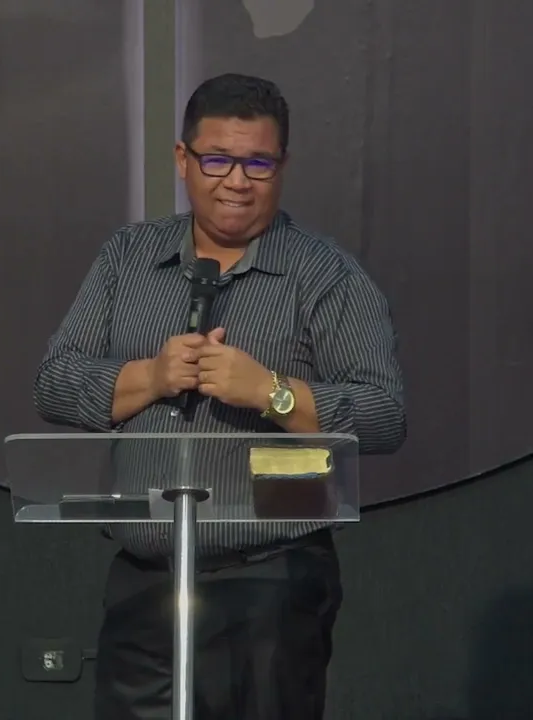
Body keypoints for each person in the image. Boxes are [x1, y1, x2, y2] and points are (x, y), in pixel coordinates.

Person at [33, 73, 407, 720]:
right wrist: (151, 377)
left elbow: (384, 414)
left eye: (258, 163)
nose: (237, 181)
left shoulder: (325, 275)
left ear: (282, 167)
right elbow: (54, 381)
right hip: (145, 582)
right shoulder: (127, 258)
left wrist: (270, 392)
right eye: (218, 161)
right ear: (183, 160)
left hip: (270, 583)